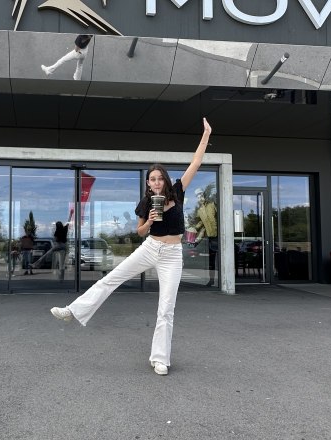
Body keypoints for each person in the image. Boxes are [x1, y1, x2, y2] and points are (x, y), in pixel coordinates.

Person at [50, 117, 212, 376]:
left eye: (160, 178)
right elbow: (138, 232)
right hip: (150, 247)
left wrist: (206, 135)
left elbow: (196, 162)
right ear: (148, 183)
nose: (156, 182)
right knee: (112, 278)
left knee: (166, 307)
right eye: (152, 179)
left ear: (166, 180)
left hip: (172, 254)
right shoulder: (146, 203)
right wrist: (148, 221)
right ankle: (73, 310)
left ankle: (160, 358)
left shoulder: (178, 192)